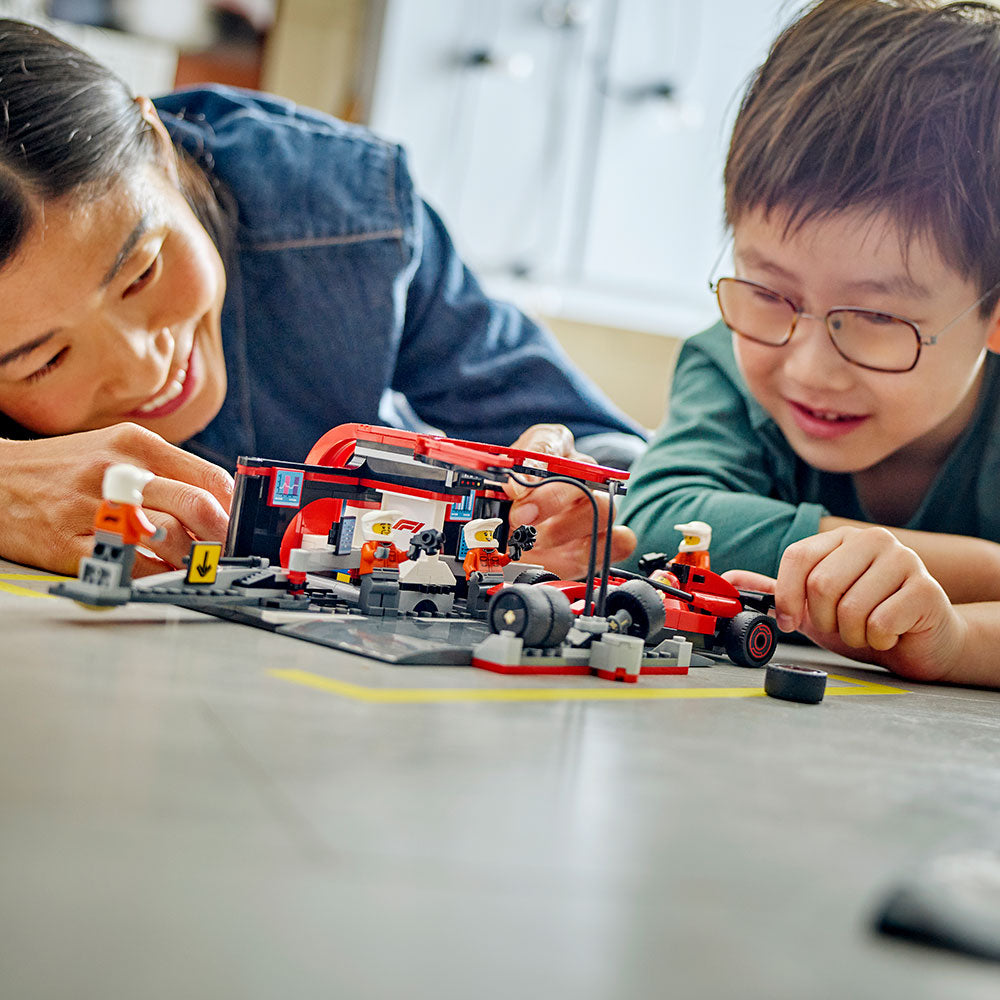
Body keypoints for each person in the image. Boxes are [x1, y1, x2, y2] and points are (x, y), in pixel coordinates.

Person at [0, 19, 643, 581]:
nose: (146, 367)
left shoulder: (347, 211)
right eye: (44, 360)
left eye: (140, 273)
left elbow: (610, 449)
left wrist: (570, 502)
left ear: (160, 147)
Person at [616, 0, 1000, 687]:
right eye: (769, 293)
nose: (810, 367)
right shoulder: (726, 362)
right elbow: (661, 519)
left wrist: (956, 638)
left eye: (880, 318)